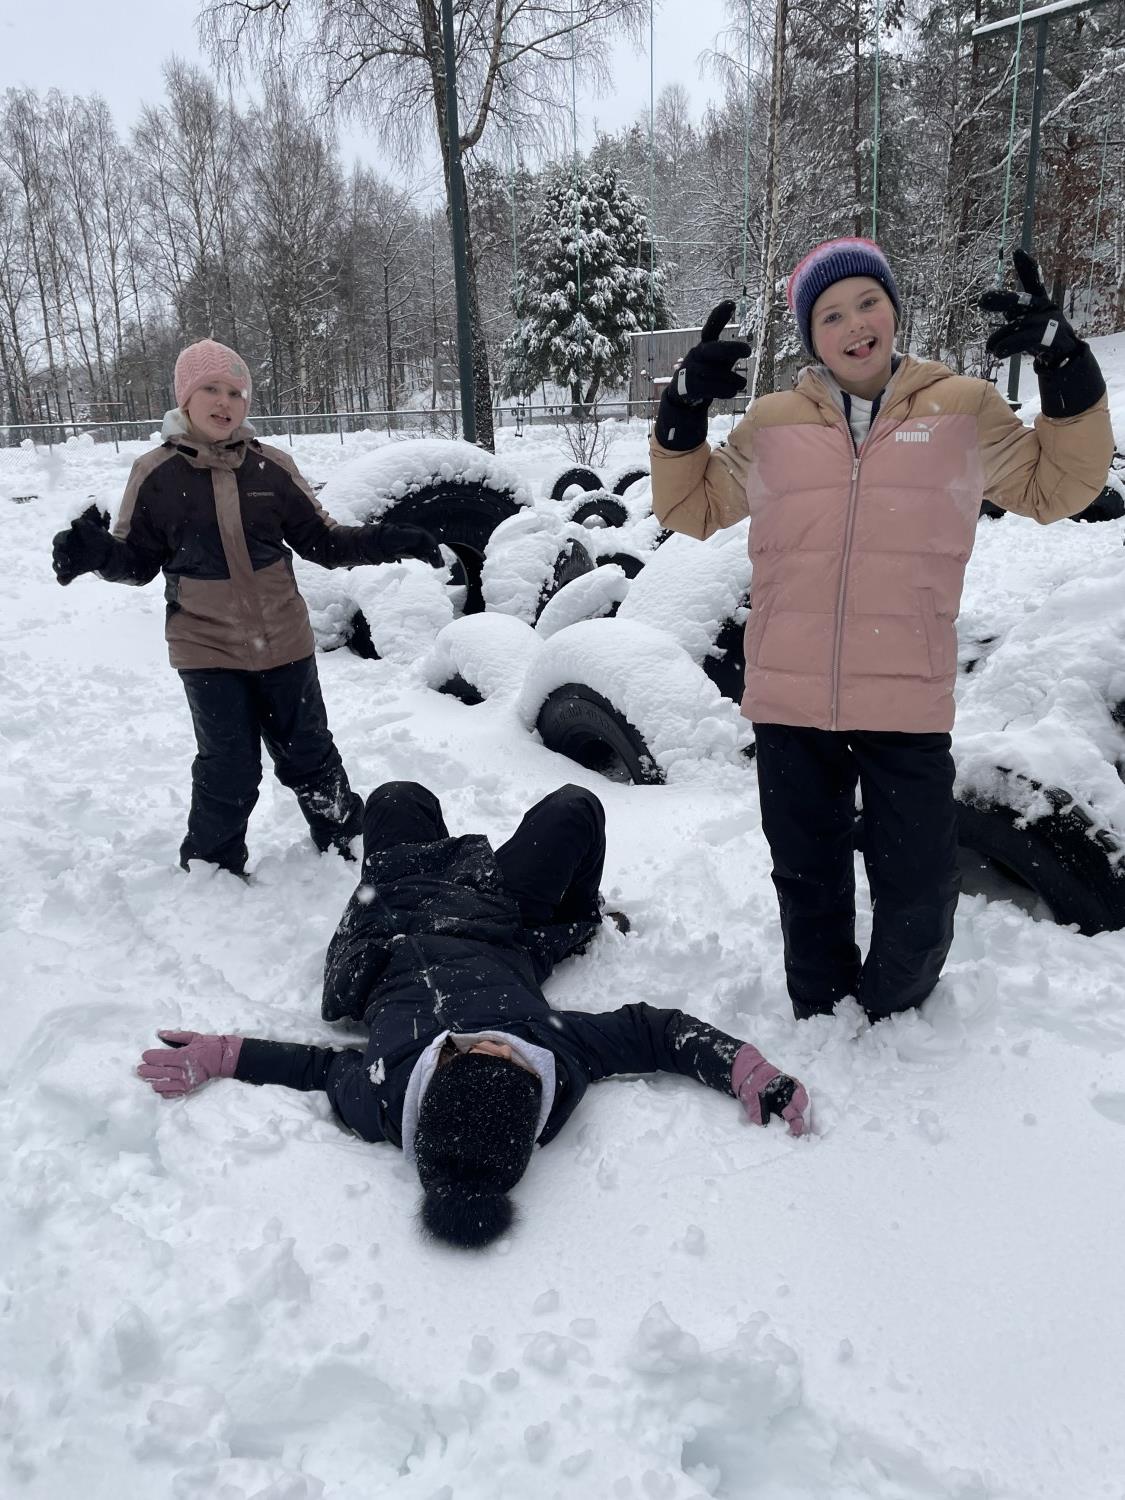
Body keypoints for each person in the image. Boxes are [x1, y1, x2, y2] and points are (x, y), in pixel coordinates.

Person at [649, 241, 1114, 1025]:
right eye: (830, 315)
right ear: (811, 335)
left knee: (920, 889)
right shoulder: (772, 423)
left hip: (905, 699)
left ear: (893, 311)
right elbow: (688, 507)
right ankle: (819, 1012)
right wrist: (681, 413)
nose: (853, 324)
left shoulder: (961, 410)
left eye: (867, 302)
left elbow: (1058, 486)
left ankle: (895, 1015)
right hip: (790, 699)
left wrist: (1066, 370)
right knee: (806, 877)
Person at [137, 780, 809, 1249]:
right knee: (574, 808)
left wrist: (221, 1055)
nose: (491, 1040)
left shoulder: (381, 1099)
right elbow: (657, 1034)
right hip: (495, 919)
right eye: (508, 1054)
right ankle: (580, 918)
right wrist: (746, 1069)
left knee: (397, 799)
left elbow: (316, 1067)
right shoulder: (558, 1052)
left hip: (390, 922)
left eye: (467, 1052)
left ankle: (424, 850)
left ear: (429, 1085)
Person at [51, 339, 443, 875]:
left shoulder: (271, 468)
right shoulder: (156, 474)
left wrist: (389, 539)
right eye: (210, 389)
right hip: (206, 647)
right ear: (185, 398)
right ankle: (212, 865)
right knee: (229, 767)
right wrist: (99, 556)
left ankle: (343, 840)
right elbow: (137, 563)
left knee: (310, 752)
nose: (224, 402)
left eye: (235, 392)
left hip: (284, 640)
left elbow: (323, 541)